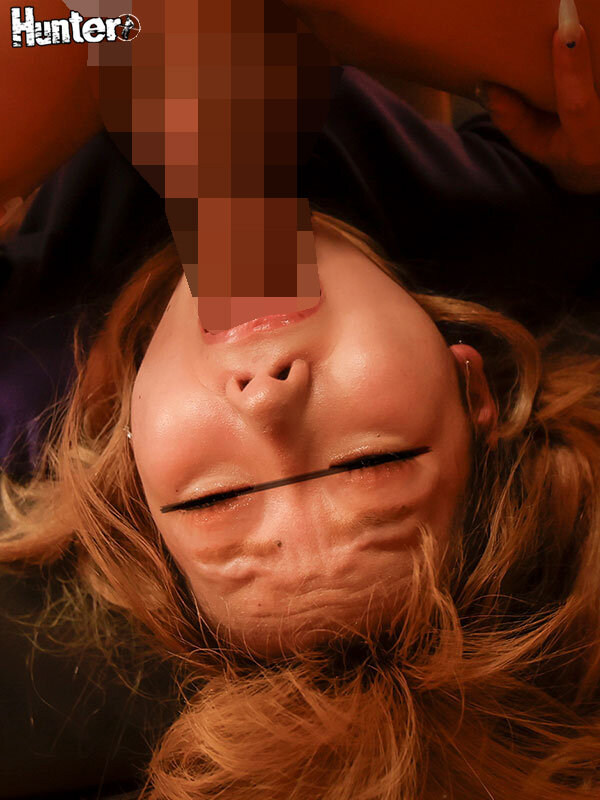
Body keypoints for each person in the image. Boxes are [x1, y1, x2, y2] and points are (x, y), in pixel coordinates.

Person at [2, 5, 600, 800]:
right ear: (471, 388)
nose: (268, 406)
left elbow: (133, 19)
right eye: (371, 463)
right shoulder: (527, 249)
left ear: (131, 468)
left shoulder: (27, 376)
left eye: (217, 499)